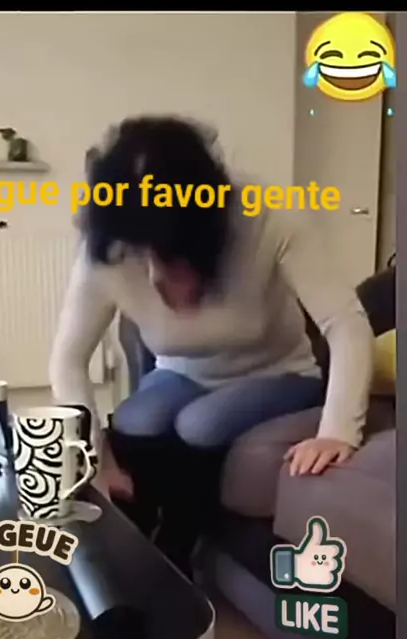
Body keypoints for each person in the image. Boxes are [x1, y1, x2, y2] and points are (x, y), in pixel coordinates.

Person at [50, 116, 374, 568]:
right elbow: (68, 361)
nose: (154, 274)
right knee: (136, 419)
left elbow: (346, 323)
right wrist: (97, 462)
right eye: (142, 254)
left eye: (170, 256)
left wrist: (338, 432)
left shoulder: (266, 216)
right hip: (181, 372)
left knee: (199, 424)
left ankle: (179, 546)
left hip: (276, 372)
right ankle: (133, 542)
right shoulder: (105, 245)